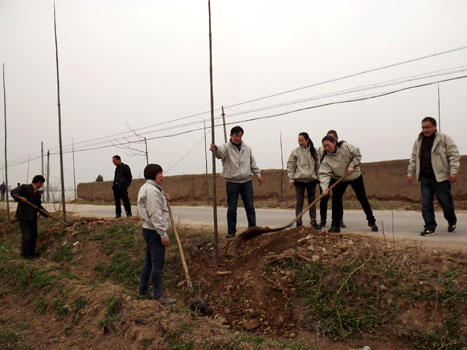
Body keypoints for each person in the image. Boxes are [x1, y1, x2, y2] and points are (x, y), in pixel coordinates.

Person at [407, 117, 460, 236]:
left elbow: (454, 155)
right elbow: (414, 158)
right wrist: (410, 173)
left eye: (428, 127)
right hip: (425, 178)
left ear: (434, 127)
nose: (425, 130)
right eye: (423, 127)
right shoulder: (418, 141)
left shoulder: (445, 139)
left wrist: (453, 172)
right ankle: (429, 227)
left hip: (440, 178)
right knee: (426, 204)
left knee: (445, 203)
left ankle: (452, 220)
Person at [210, 126, 263, 238]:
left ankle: (252, 229)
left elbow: (252, 164)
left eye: (240, 135)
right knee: (232, 208)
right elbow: (219, 154)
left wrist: (257, 175)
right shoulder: (225, 147)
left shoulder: (247, 149)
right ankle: (231, 231)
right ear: (231, 135)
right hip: (232, 182)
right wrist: (215, 149)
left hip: (246, 182)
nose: (238, 138)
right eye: (236, 135)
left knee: (250, 207)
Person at [319, 135, 378, 233]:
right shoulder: (326, 159)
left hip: (354, 176)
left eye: (328, 145)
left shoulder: (346, 147)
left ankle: (372, 221)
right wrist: (324, 188)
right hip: (340, 179)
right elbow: (324, 174)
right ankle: (335, 225)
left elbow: (357, 155)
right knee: (336, 201)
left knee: (362, 198)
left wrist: (352, 165)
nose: (326, 148)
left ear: (334, 142)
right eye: (324, 146)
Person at [137, 163, 176, 305]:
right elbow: (155, 214)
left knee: (149, 262)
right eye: (160, 173)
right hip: (154, 231)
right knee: (157, 264)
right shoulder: (152, 191)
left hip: (148, 229)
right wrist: (163, 234)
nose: (162, 176)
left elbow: (153, 206)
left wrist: (163, 197)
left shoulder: (148, 188)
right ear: (154, 175)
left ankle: (142, 291)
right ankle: (158, 296)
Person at [287, 132, 320, 229]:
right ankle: (299, 222)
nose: (300, 142)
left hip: (311, 180)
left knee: (312, 202)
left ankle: (313, 221)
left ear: (307, 140)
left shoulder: (315, 151)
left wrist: (318, 178)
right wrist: (291, 179)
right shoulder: (295, 151)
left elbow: (318, 166)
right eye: (299, 141)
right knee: (299, 202)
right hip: (299, 181)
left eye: (302, 140)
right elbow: (290, 165)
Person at [11, 175, 49, 259]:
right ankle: (24, 255)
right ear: (39, 182)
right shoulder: (25, 187)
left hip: (33, 217)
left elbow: (38, 207)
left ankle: (32, 254)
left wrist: (47, 214)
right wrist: (20, 197)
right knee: (27, 236)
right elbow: (13, 191)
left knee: (34, 236)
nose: (42, 185)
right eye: (42, 183)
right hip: (24, 217)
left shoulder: (38, 193)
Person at [317, 130, 346, 228]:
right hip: (324, 176)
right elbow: (318, 162)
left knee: (337, 199)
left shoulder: (341, 150)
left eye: (332, 138)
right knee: (323, 198)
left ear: (336, 139)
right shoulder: (322, 150)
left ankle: (339, 219)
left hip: (336, 177)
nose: (327, 146)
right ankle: (323, 220)